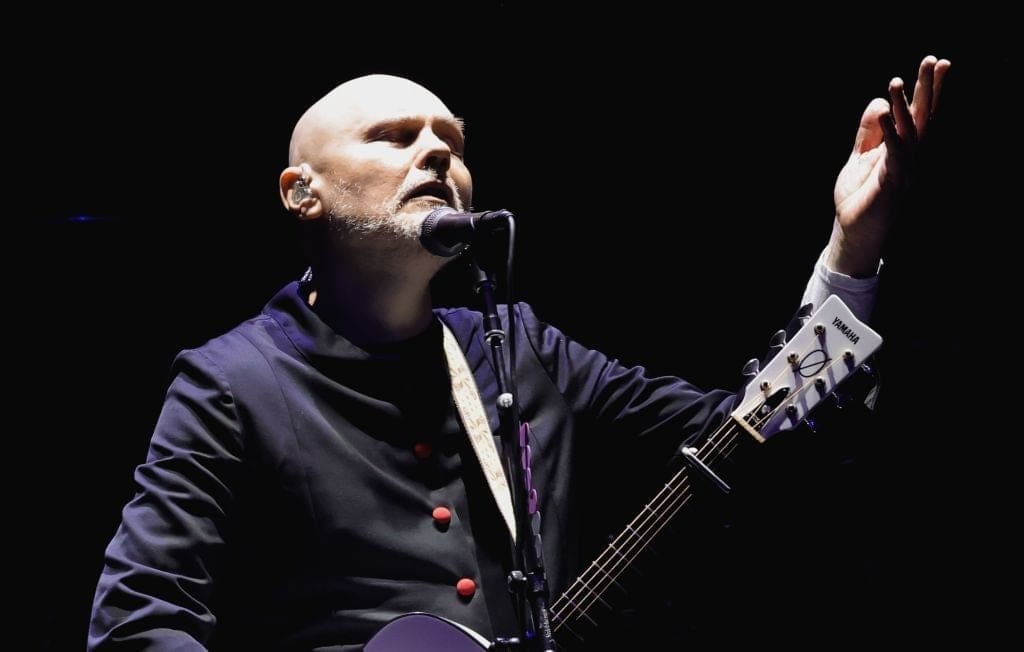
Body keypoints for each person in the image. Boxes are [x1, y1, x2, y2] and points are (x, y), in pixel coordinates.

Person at [88, 56, 950, 650]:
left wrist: (852, 250)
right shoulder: (231, 383)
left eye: (453, 142)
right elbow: (139, 621)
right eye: (395, 136)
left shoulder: (522, 347)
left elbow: (761, 436)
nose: (439, 151)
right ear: (300, 192)